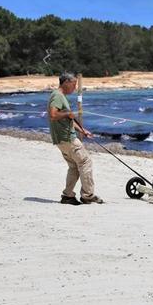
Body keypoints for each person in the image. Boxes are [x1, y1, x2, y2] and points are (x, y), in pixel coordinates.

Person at [48, 72, 104, 205]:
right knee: (85, 162)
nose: (75, 87)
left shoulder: (60, 96)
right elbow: (53, 115)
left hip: (62, 139)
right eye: (74, 84)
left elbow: (68, 120)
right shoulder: (57, 96)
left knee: (74, 167)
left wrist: (83, 131)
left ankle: (67, 196)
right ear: (66, 82)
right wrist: (68, 113)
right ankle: (88, 195)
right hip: (68, 138)